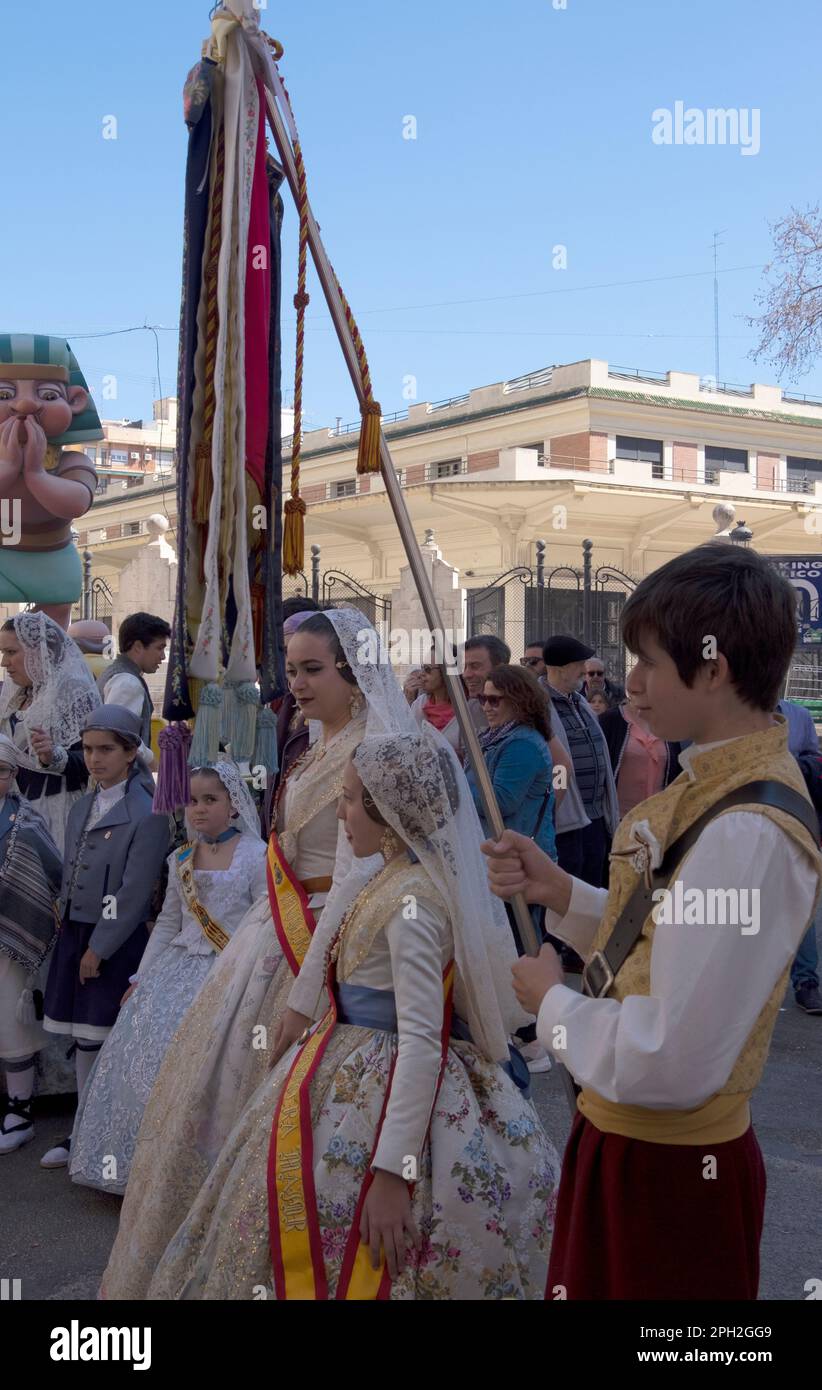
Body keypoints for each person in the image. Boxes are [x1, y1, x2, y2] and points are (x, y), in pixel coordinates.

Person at [485, 544, 822, 1300]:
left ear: (713, 669)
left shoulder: (747, 829)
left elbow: (670, 1060)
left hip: (665, 1170)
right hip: (635, 1149)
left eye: (647, 663)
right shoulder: (721, 783)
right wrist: (563, 894)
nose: (631, 684)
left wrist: (552, 1005)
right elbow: (679, 930)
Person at [140, 727, 560, 1300]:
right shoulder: (393, 880)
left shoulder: (412, 903)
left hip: (382, 1086)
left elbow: (421, 1039)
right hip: (347, 1061)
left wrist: (391, 1174)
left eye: (349, 799)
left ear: (386, 810)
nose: (340, 813)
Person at [100, 608, 415, 1298]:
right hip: (272, 940)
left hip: (326, 950)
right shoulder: (315, 740)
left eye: (312, 670)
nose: (296, 684)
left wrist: (306, 993)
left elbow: (360, 873)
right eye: (292, 669)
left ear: (353, 673)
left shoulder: (375, 749)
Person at [69, 763, 268, 1193]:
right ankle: (140, 1172)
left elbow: (264, 922)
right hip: (176, 969)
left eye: (210, 800)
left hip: (230, 971)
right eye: (192, 800)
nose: (198, 809)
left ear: (235, 804)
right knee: (144, 1052)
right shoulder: (180, 858)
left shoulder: (257, 855)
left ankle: (192, 1180)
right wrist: (142, 977)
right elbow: (166, 923)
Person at [39, 706, 172, 1169]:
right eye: (88, 750)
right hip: (77, 931)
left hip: (113, 940)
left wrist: (101, 946)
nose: (94, 759)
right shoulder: (83, 805)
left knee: (105, 1038)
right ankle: (83, 1128)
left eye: (106, 750)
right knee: (82, 1036)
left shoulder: (147, 810)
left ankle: (101, 1133)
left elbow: (134, 891)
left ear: (132, 751)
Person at [464, 664, 557, 1074]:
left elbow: (497, 801)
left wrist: (451, 777)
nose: (486, 706)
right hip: (499, 859)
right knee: (507, 944)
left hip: (520, 862)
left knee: (520, 945)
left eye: (495, 699)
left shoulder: (520, 743)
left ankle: (535, 1038)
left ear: (520, 700)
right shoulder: (495, 737)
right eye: (483, 698)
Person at [0, 735, 63, 1154]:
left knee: (11, 1021)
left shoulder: (27, 820)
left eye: (1, 771)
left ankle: (19, 1111)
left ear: (13, 774)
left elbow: (55, 872)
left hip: (10, 937)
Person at [0, 612, 100, 852]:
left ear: (38, 651)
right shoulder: (14, 694)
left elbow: (96, 761)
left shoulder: (73, 693)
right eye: (3, 653)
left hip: (55, 813)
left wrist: (53, 756)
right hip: (13, 811)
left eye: (11, 652)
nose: (4, 662)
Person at [542, 635, 618, 889]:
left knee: (593, 887)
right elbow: (556, 764)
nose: (584, 671)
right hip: (565, 825)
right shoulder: (539, 705)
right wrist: (556, 802)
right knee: (568, 893)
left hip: (594, 817)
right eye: (579, 664)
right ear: (562, 669)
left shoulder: (580, 702)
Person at [776, 696, 822, 1014]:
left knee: (799, 900)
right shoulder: (730, 712)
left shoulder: (799, 716)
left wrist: (803, 765)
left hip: (794, 820)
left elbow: (815, 761)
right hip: (743, 821)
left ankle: (806, 982)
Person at [97, 612, 171, 772]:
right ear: (138, 647)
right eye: (159, 648)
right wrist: (155, 767)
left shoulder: (118, 674)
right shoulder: (127, 682)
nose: (163, 656)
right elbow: (122, 736)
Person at [599, 697, 683, 819]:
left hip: (658, 820)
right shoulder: (610, 720)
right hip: (618, 820)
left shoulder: (668, 721)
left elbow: (677, 773)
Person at [410, 652, 461, 754]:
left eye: (427, 669)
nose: (421, 674)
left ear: (446, 671)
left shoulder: (465, 707)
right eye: (422, 668)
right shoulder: (419, 704)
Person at [461, 634, 511, 732]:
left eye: (475, 666)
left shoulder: (525, 711)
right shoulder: (470, 708)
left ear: (500, 668)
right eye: (464, 667)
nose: (466, 675)